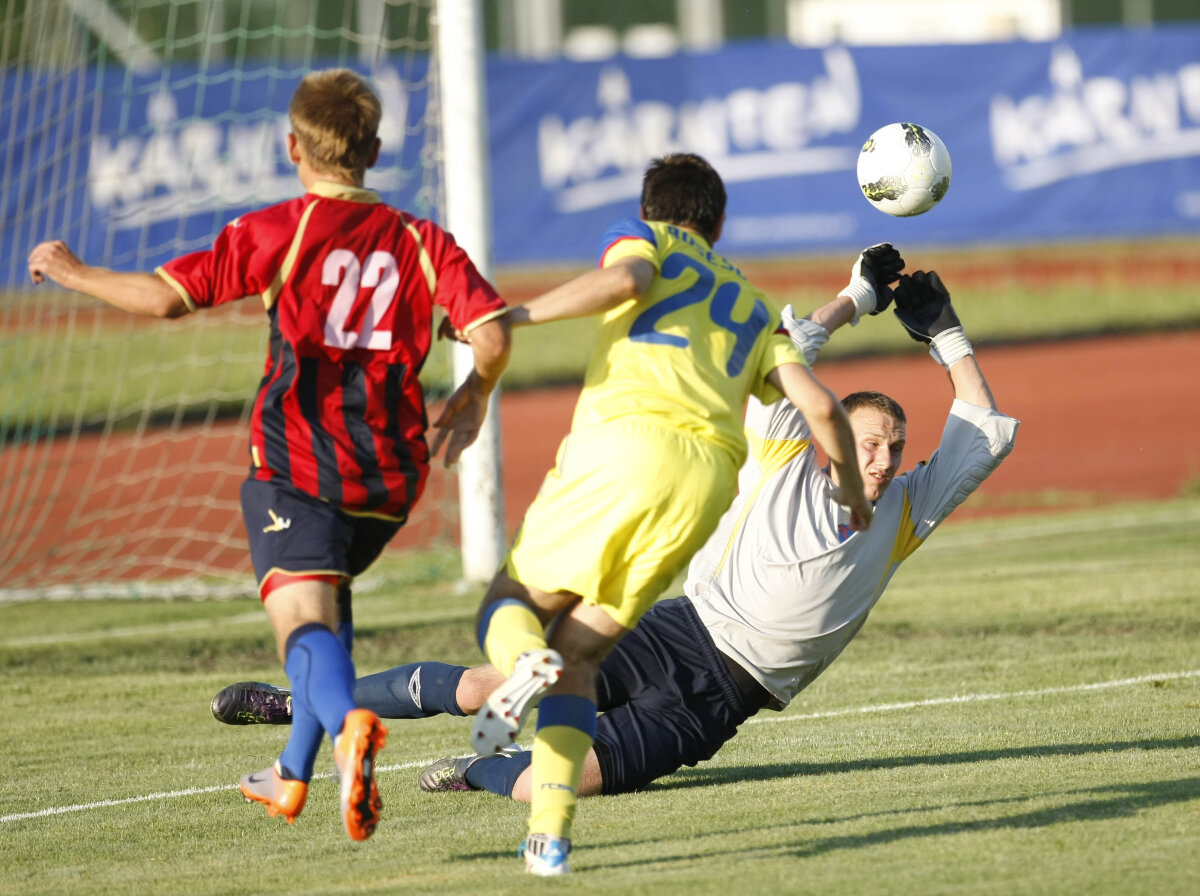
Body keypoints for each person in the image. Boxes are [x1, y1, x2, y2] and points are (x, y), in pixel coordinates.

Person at [211, 265, 1017, 824]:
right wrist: (857, 296)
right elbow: (782, 351)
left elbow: (981, 432)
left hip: (720, 698)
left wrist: (945, 332)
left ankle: (479, 771)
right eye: (864, 441)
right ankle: (297, 705)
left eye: (891, 448)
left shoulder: (908, 510)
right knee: (499, 684)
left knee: (555, 783)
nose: (877, 459)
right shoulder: (782, 450)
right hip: (673, 627)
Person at [28, 68, 512, 842]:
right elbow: (490, 334)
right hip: (390, 479)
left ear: (293, 146)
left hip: (298, 463)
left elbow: (160, 300)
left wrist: (71, 270)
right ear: (376, 150)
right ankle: (291, 772)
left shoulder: (278, 229)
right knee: (326, 605)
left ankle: (351, 725)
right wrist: (475, 395)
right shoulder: (424, 244)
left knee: (302, 628)